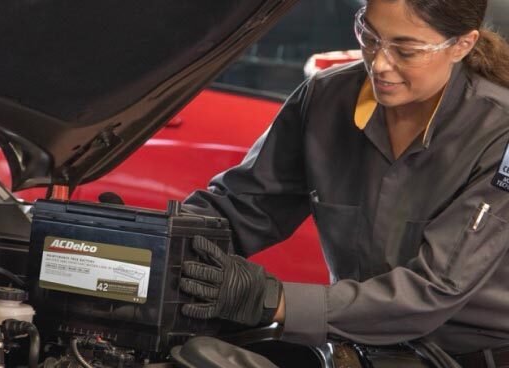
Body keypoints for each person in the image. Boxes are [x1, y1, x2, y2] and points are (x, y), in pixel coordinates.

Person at [178, 0, 509, 367]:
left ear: (462, 44)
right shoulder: (324, 99)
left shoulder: (500, 133)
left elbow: (433, 291)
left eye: (406, 50)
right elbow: (242, 209)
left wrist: (269, 299)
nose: (380, 63)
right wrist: (156, 238)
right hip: (358, 352)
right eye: (369, 36)